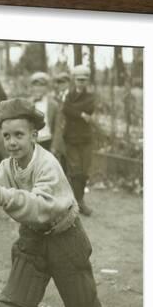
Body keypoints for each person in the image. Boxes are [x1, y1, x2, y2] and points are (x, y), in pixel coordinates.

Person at [0, 98, 102, 307]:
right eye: (7, 135)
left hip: (64, 234)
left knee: (80, 297)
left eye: (19, 135)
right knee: (18, 294)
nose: (12, 142)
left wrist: (4, 196)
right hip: (33, 237)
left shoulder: (48, 164)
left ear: (34, 136)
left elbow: (41, 206)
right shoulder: (8, 165)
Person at [63, 65, 96, 216]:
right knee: (75, 171)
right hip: (71, 138)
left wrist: (74, 110)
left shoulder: (90, 96)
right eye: (78, 79)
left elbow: (89, 107)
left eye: (84, 79)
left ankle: (79, 200)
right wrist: (81, 114)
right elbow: (65, 109)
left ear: (87, 80)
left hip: (85, 138)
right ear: (74, 80)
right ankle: (78, 203)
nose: (81, 82)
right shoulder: (68, 96)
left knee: (84, 171)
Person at [29, 71, 60, 153]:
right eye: (36, 85)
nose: (38, 88)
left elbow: (57, 127)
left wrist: (54, 146)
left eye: (42, 85)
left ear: (46, 87)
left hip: (47, 140)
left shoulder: (53, 104)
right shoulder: (28, 103)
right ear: (32, 87)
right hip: (32, 142)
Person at [51, 71, 71, 172]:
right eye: (58, 83)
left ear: (68, 83)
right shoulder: (57, 97)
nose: (60, 85)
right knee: (61, 162)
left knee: (70, 162)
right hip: (60, 133)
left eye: (63, 82)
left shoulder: (71, 97)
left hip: (70, 133)